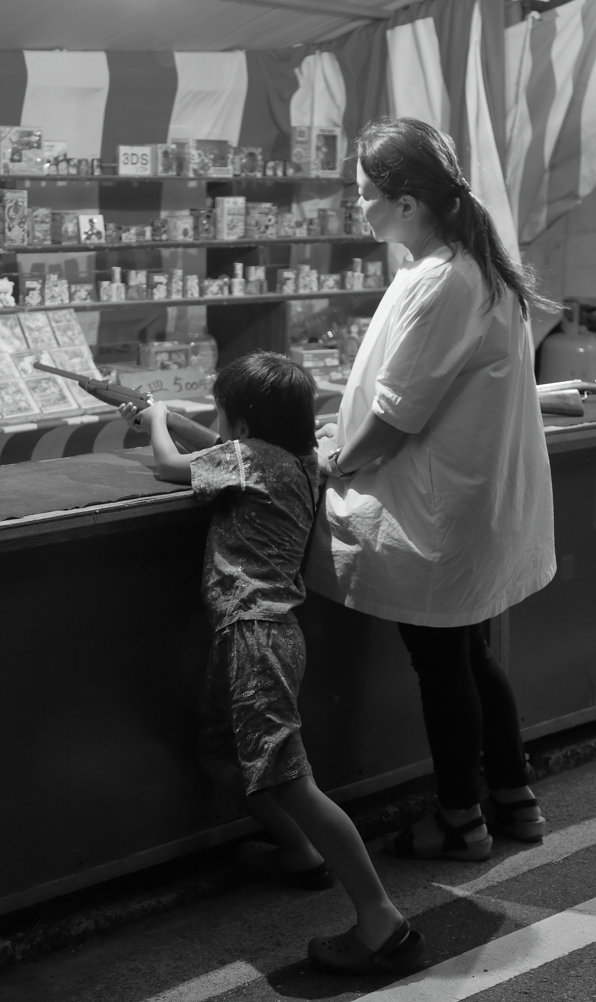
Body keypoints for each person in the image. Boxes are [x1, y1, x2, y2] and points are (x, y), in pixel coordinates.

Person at [119, 351, 424, 975]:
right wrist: (164, 415)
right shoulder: (299, 460)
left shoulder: (250, 458)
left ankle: (382, 921)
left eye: (222, 413)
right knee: (219, 753)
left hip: (253, 636)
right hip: (255, 633)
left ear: (242, 423)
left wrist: (156, 422)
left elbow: (171, 466)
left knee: (291, 782)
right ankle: (300, 854)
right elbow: (218, 448)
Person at [305, 117, 557, 863]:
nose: (357, 206)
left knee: (443, 665)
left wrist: (334, 462)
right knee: (470, 654)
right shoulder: (460, 265)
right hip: (462, 506)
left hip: (437, 511)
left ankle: (459, 821)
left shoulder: (445, 278)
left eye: (364, 193)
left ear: (406, 203)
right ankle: (513, 798)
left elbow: (394, 417)